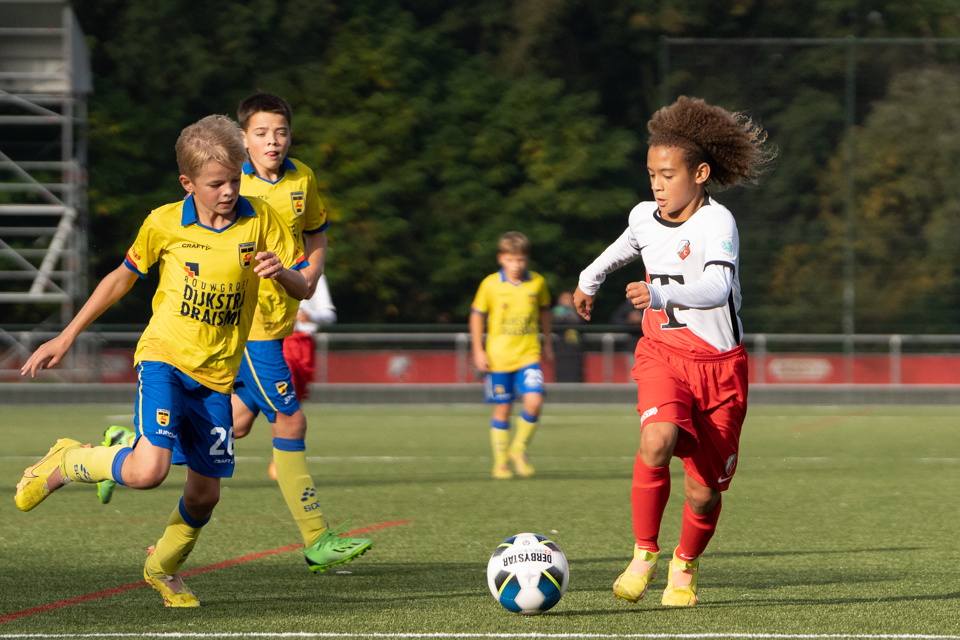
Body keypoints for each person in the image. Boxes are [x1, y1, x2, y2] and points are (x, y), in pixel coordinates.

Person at [16, 114, 308, 606]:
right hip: (164, 358)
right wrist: (66, 336)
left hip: (217, 377)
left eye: (235, 180)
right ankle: (69, 460)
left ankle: (162, 568)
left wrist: (282, 273)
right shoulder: (164, 223)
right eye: (216, 184)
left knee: (204, 496)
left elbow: (303, 287)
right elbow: (121, 278)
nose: (228, 191)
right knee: (148, 472)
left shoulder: (261, 219)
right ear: (187, 183)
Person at [573, 96, 772, 606]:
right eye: (651, 175)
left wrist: (659, 293)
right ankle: (644, 553)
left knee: (704, 492)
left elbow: (717, 288)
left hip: (720, 369)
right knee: (656, 439)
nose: (657, 185)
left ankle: (685, 564)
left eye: (667, 175)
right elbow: (628, 244)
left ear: (700, 174)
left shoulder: (717, 224)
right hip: (662, 353)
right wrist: (589, 278)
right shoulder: (645, 215)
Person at [230, 93, 372, 572]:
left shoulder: (302, 177)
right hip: (248, 326)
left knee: (233, 425)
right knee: (290, 421)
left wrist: (311, 273)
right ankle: (316, 538)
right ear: (243, 138)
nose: (273, 141)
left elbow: (316, 233)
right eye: (261, 133)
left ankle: (122, 450)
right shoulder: (230, 182)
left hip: (279, 320)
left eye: (281, 132)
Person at [470, 232, 553, 479]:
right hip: (499, 359)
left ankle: (517, 449)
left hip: (528, 355)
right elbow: (476, 315)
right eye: (510, 260)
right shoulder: (490, 284)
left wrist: (547, 341)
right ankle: (501, 463)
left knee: (534, 402)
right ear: (501, 259)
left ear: (527, 259)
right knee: (503, 409)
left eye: (520, 260)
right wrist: (478, 350)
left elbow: (545, 311)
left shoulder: (537, 282)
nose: (516, 265)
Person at [551, 291, 585, 383]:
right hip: (560, 347)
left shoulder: (579, 311)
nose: (569, 301)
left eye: (571, 298)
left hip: (575, 348)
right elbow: (556, 323)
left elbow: (582, 322)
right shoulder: (556, 312)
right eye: (565, 298)